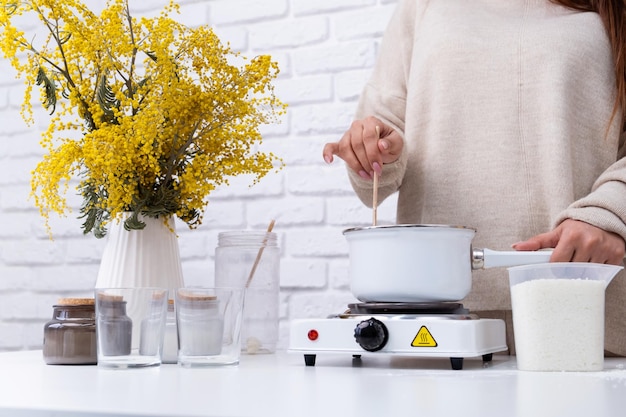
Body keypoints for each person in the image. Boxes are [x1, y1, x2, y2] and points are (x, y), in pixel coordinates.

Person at [323, 0, 626, 356]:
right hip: (438, 318)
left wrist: (610, 214)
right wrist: (372, 150)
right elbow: (378, 158)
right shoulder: (424, 7)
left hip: (581, 305)